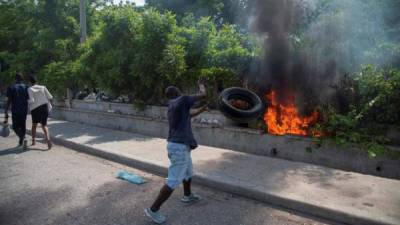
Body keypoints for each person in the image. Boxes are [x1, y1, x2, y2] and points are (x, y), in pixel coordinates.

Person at [145, 82, 208, 224]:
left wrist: (203, 109)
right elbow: (203, 94)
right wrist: (202, 86)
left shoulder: (172, 106)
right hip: (179, 147)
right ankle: (153, 210)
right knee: (173, 181)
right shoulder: (183, 99)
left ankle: (187, 195)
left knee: (188, 172)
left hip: (179, 146)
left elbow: (190, 114)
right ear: (178, 91)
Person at [28, 75, 53, 149]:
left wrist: (26, 101)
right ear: (37, 81)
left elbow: (32, 100)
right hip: (44, 107)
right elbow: (50, 97)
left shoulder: (30, 89)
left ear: (30, 82)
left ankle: (33, 140)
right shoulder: (43, 87)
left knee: (34, 125)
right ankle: (48, 139)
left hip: (35, 109)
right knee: (44, 125)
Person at [4, 73, 29, 149]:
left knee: (15, 127)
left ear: (15, 79)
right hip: (24, 109)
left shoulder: (11, 87)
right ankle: (22, 139)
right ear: (22, 79)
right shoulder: (26, 87)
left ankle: (22, 138)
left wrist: (6, 110)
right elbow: (28, 98)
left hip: (15, 110)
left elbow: (9, 100)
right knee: (23, 125)